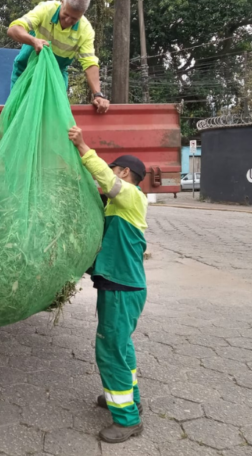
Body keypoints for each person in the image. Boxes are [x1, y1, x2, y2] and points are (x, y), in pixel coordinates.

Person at [68, 125, 148, 443]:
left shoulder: (132, 197)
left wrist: (82, 146)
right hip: (123, 287)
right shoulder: (117, 208)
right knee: (122, 346)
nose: (110, 174)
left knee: (110, 351)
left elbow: (106, 180)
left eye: (115, 169)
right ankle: (129, 399)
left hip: (121, 289)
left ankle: (127, 420)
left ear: (125, 172)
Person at [8, 0, 110, 114]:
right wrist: (33, 41)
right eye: (65, 14)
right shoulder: (46, 9)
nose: (68, 21)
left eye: (74, 19)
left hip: (56, 75)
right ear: (62, 2)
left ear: (82, 14)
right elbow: (14, 29)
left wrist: (98, 94)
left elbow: (90, 63)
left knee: (54, 113)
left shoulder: (85, 30)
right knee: (20, 110)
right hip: (27, 69)